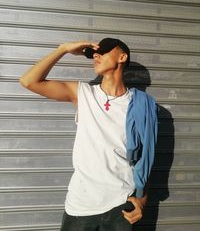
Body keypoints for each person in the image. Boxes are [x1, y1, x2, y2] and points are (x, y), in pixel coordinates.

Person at [19, 38, 157, 231]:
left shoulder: (142, 104)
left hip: (121, 206)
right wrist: (63, 49)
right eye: (94, 55)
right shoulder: (83, 93)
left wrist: (142, 200)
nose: (97, 56)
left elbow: (146, 158)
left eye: (105, 51)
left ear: (122, 57)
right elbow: (28, 81)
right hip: (80, 205)